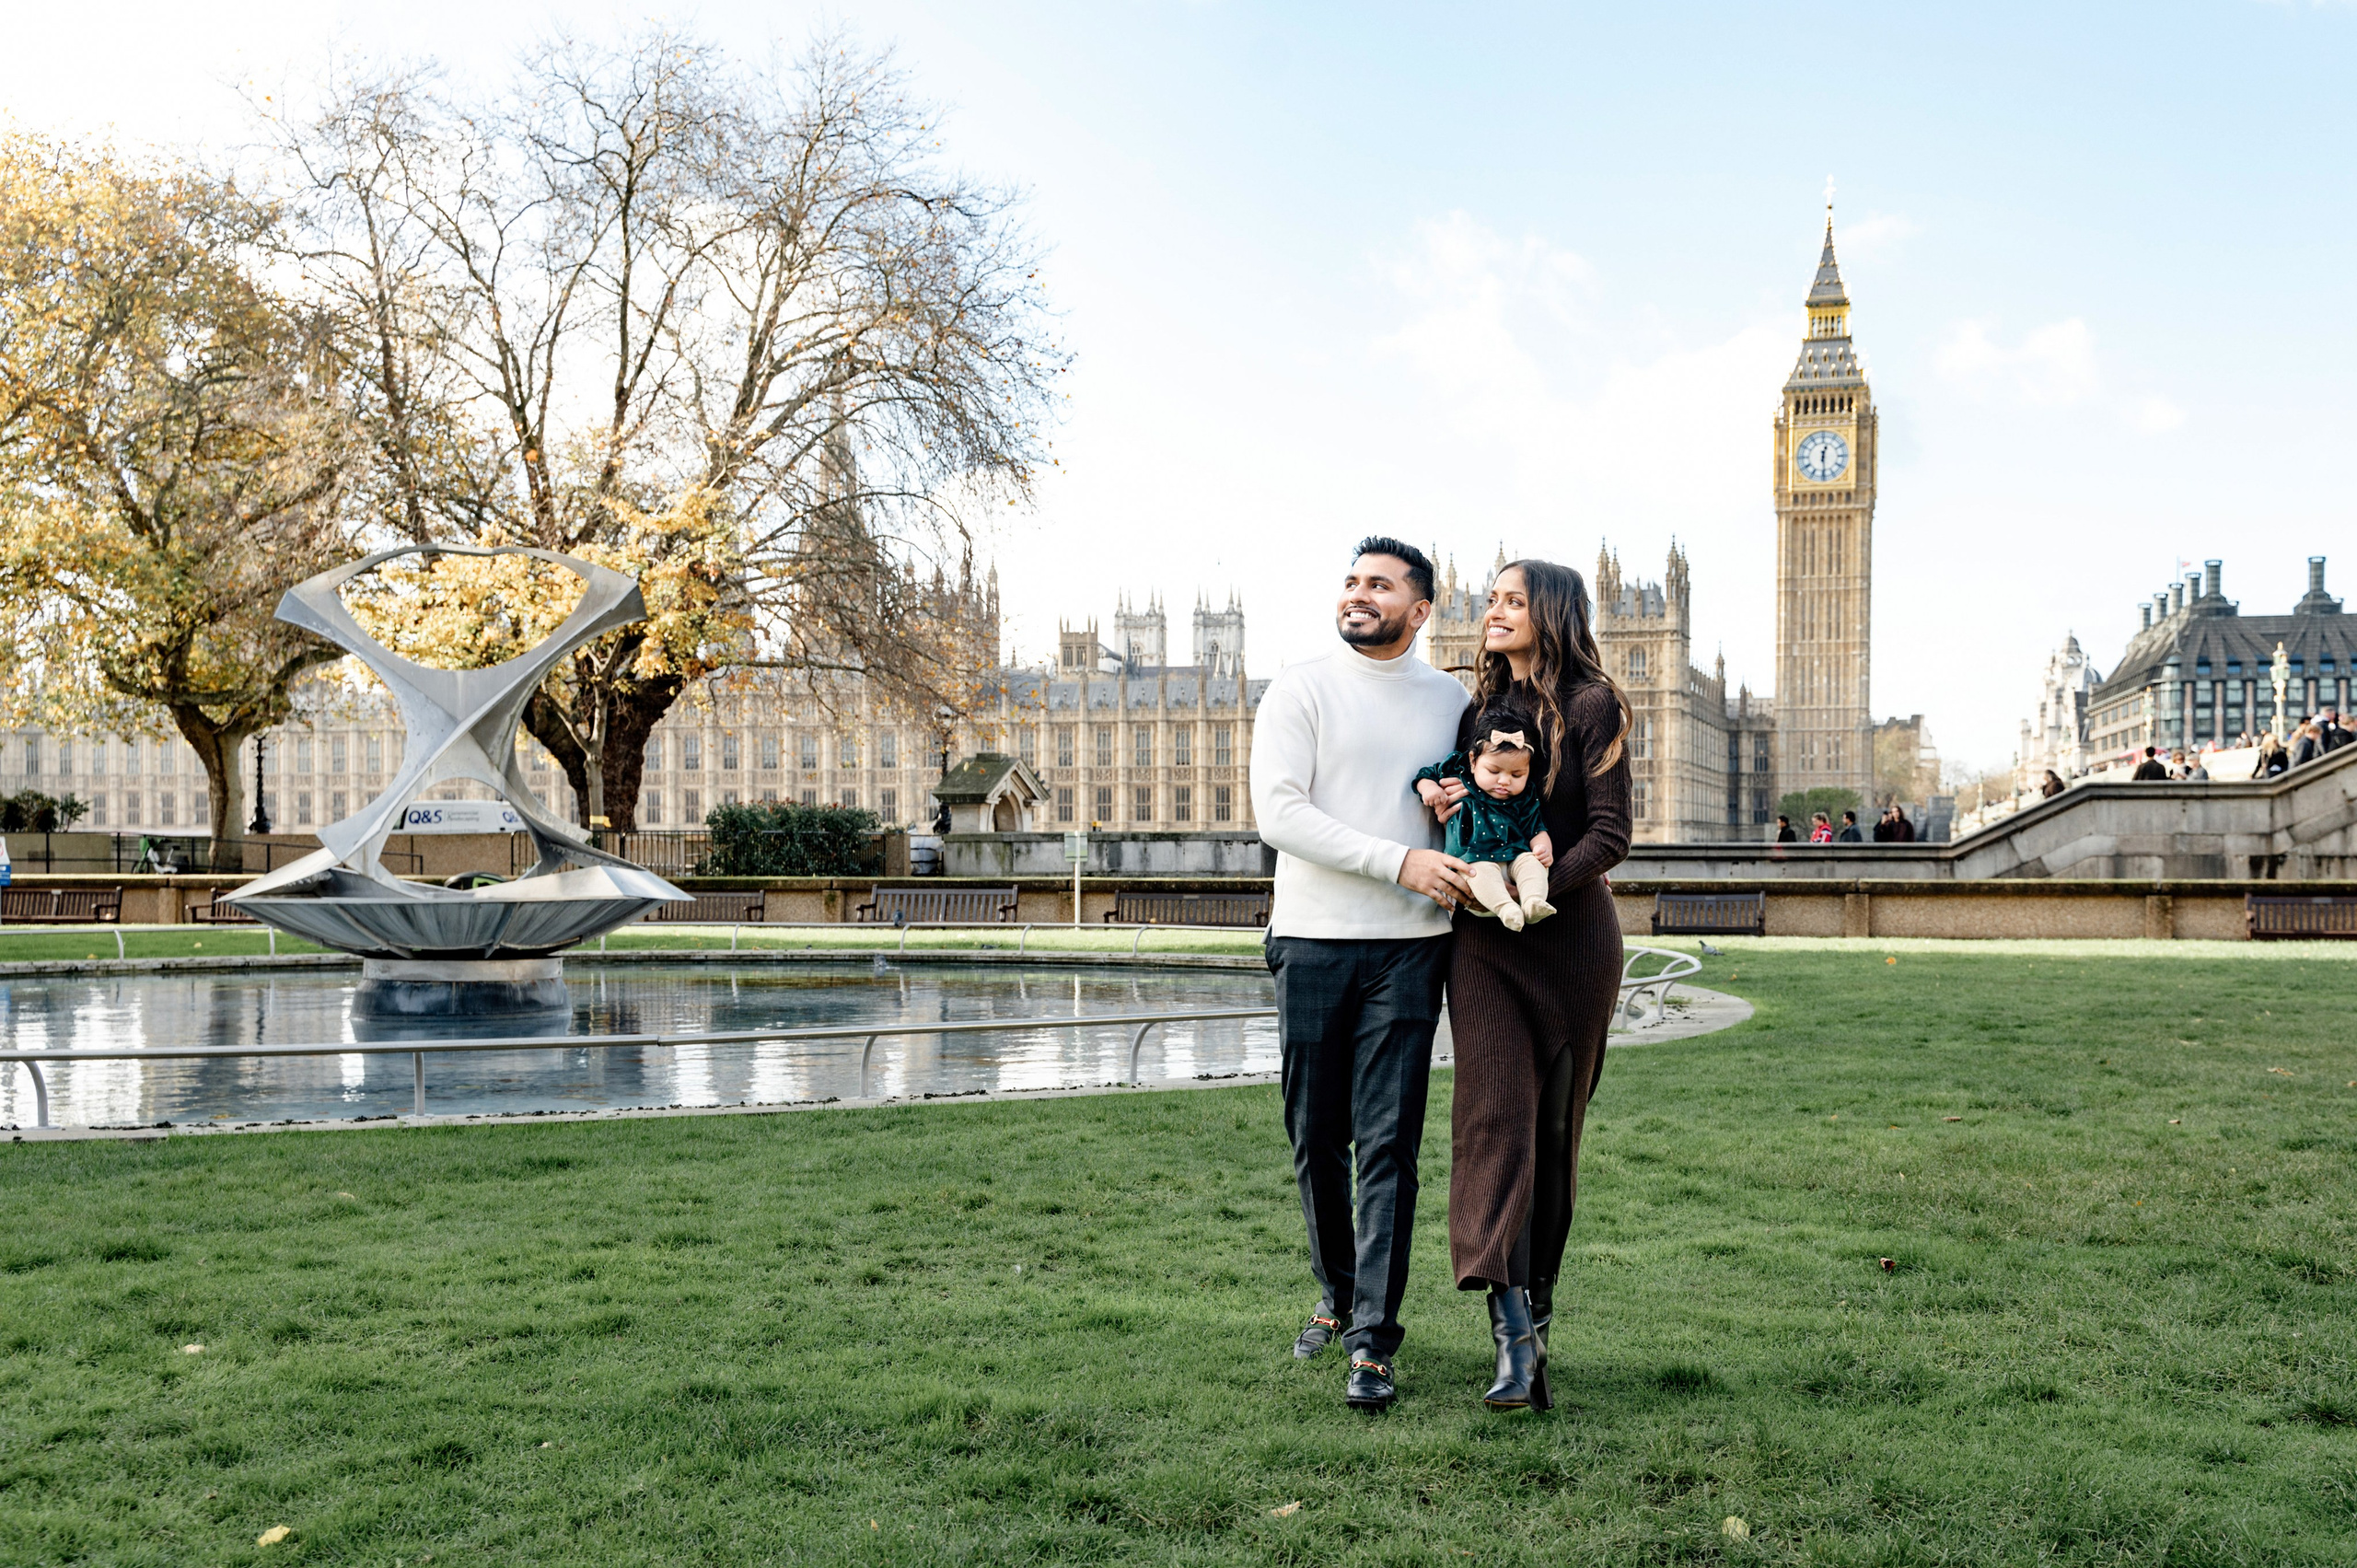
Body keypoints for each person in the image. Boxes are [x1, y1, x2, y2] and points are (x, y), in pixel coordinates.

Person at [1250, 537, 1470, 1411]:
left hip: (1411, 947)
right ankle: (1339, 1297)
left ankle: (1374, 1340)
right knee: (1317, 1138)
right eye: (1351, 581)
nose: (1358, 594)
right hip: (1310, 936)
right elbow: (1282, 814)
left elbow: (1481, 793)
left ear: (1419, 611)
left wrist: (1460, 819)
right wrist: (1399, 859)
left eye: (1379, 585)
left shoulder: (1452, 700)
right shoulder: (1300, 688)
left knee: (1388, 1145)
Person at [1433, 557, 1630, 1413]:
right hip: (1485, 944)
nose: (1493, 610)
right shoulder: (1479, 710)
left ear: (1551, 611)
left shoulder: (1595, 704)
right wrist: (1444, 800)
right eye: (1491, 599)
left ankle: (1539, 1322)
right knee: (1493, 1124)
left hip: (1573, 938)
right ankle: (1511, 1335)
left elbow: (1612, 833)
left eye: (1512, 599)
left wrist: (1551, 872)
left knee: (1553, 1137)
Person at [1412, 700, 1556, 931]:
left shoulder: (1525, 795)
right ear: (1473, 760)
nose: (1504, 781)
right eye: (1494, 771)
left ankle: (1532, 901)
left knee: (1532, 863)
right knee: (1478, 871)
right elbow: (1426, 774)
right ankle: (1505, 908)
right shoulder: (1457, 770)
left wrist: (1542, 848)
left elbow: (1536, 828)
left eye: (1517, 774)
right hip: (1473, 857)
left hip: (1514, 855)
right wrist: (1428, 787)